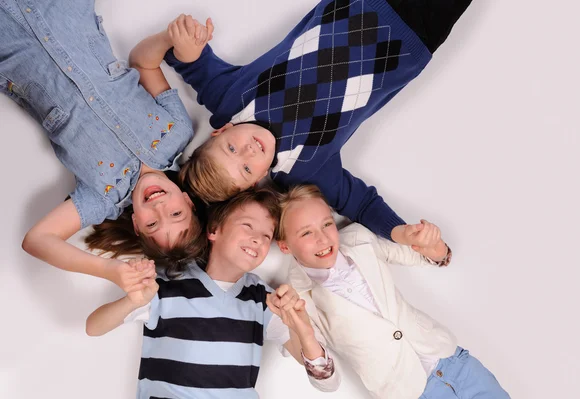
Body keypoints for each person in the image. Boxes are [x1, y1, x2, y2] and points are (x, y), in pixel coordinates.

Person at [132, 0, 472, 247]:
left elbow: (176, 55)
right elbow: (360, 203)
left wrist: (182, 40)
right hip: (415, 35)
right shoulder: (303, 169)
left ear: (221, 130)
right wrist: (402, 233)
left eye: (232, 148)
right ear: (255, 183)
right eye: (247, 167)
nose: (249, 150)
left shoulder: (228, 99)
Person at [0, 1, 206, 291]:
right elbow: (144, 63)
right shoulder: (176, 132)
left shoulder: (102, 198)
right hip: (62, 11)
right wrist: (169, 39)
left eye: (152, 225)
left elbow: (37, 240)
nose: (159, 208)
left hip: (9, 44)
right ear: (187, 200)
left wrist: (111, 271)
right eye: (175, 214)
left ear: (136, 224)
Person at [86, 188, 340, 398]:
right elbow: (93, 327)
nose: (257, 240)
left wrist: (304, 330)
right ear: (214, 230)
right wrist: (132, 301)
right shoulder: (168, 287)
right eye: (247, 226)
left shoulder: (264, 301)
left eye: (266, 235)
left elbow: (327, 383)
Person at [275, 184, 510, 399]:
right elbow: (328, 383)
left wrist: (433, 244)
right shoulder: (297, 300)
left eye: (326, 224)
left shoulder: (358, 238)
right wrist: (304, 332)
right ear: (285, 246)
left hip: (453, 362)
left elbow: (421, 254)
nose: (323, 237)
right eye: (306, 233)